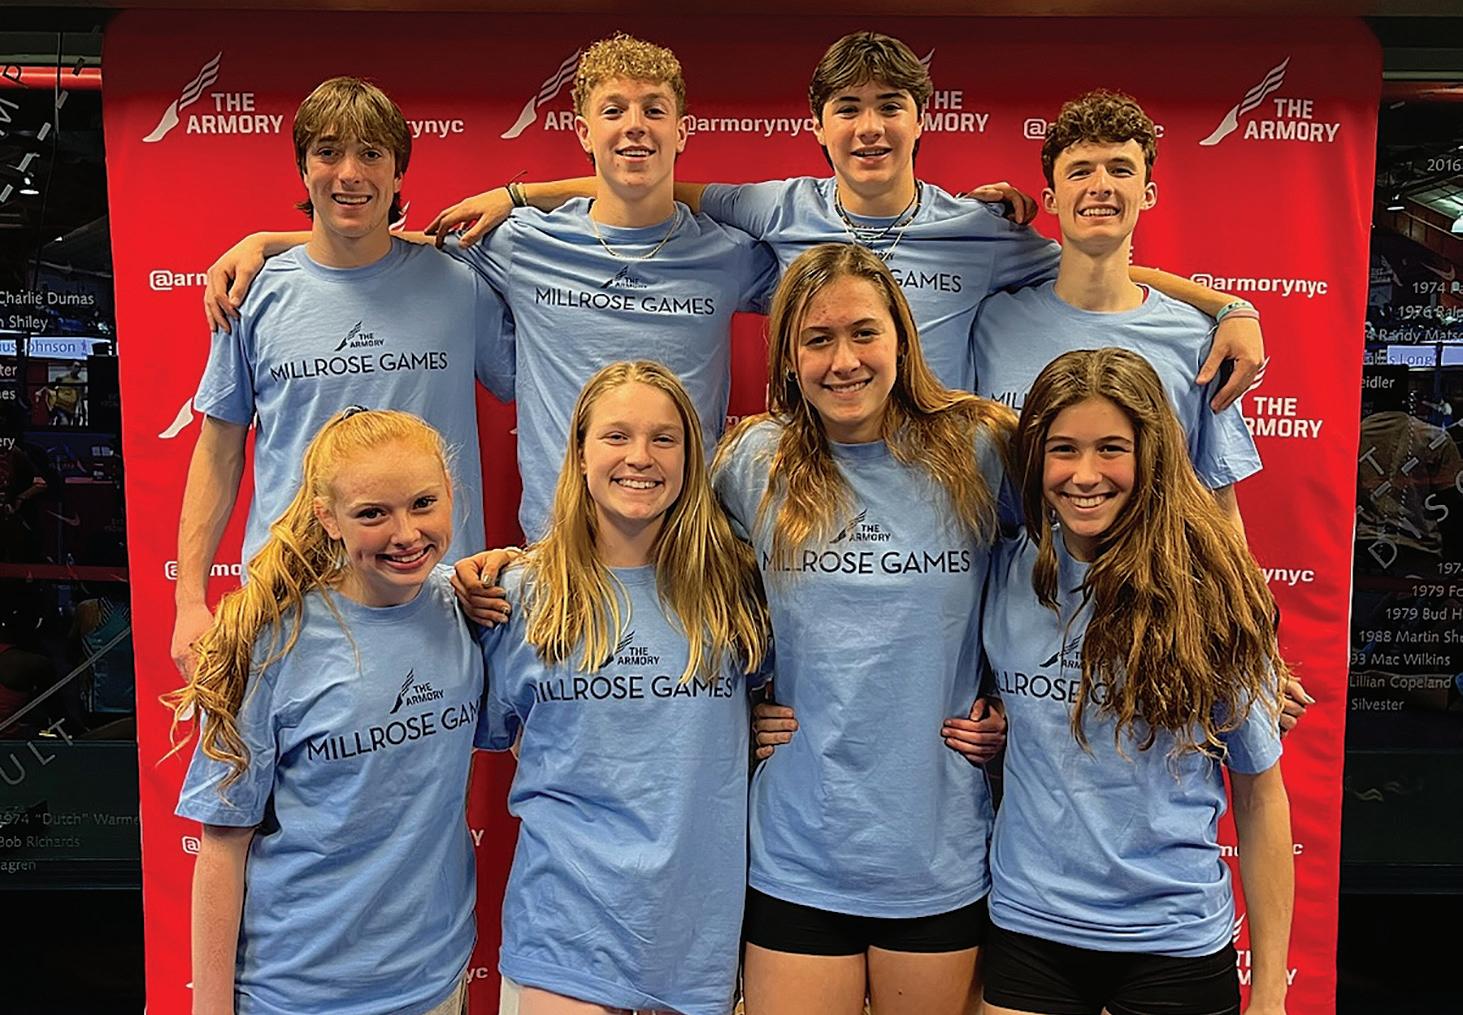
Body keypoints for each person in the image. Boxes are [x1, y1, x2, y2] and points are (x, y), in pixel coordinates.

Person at [427, 31, 1264, 410]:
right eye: (848, 109)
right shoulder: (777, 208)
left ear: (920, 120)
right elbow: (653, 185)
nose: (869, 128)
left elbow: (1096, 265)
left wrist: (1230, 305)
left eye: (889, 106)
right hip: (810, 475)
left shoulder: (978, 230)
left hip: (938, 483)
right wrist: (519, 196)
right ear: (819, 126)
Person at [202, 34, 777, 542]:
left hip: (689, 544)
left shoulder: (727, 253)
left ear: (682, 131)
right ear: (583, 132)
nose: (635, 125)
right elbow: (391, 244)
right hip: (558, 550)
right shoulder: (524, 242)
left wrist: (520, 192)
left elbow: (815, 278)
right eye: (613, 111)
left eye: (654, 110)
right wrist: (271, 243)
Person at [710, 243, 1009, 1015]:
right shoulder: (755, 460)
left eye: (863, 333)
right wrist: (725, 712)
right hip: (797, 849)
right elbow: (652, 564)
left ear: (901, 338)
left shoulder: (978, 448)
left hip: (936, 849)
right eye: (817, 339)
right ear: (788, 358)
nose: (843, 361)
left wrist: (1022, 707)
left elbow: (1089, 551)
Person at [970, 347, 1293, 1015]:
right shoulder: (1003, 571)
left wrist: (1269, 991)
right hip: (1029, 928)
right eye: (1063, 449)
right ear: (1035, 459)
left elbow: (1260, 796)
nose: (1085, 474)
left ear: (1151, 455)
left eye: (1110, 449)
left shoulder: (1215, 592)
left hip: (1173, 939)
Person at [171, 76, 514, 679]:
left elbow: (538, 391)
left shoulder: (459, 285)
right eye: (328, 153)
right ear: (303, 169)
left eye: (371, 154)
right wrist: (190, 602)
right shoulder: (251, 295)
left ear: (399, 173)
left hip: (431, 597)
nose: (349, 174)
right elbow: (219, 450)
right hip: (292, 598)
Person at [477, 361, 769, 1015]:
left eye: (664, 438)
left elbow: (783, 697)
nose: (640, 456)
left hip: (695, 943)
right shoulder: (519, 595)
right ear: (579, 452)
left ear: (691, 458)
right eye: (616, 436)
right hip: (562, 934)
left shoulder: (734, 590)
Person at [170, 408, 483, 1015]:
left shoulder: (469, 612)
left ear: (450, 492)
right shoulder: (271, 643)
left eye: (423, 503)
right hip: (298, 992)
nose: (406, 534)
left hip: (436, 983)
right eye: (372, 514)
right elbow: (223, 844)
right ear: (328, 519)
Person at [973, 89, 1261, 533]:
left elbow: (1219, 509)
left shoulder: (1197, 341)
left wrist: (1236, 309)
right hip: (1017, 579)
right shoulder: (987, 323)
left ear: (1147, 194)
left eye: (1120, 169)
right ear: (1050, 199)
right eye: (1080, 171)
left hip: (1149, 579)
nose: (1100, 185)